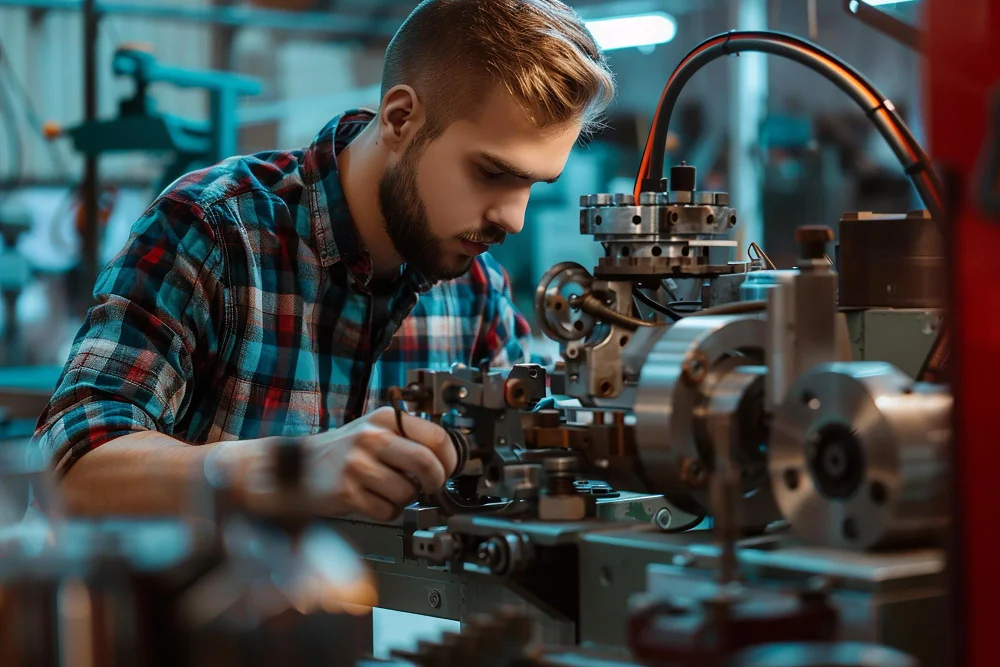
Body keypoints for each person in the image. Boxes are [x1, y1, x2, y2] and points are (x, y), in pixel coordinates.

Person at [31, 0, 615, 521]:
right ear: (400, 119)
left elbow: (531, 452)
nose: (513, 219)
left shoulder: (474, 290)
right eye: (492, 173)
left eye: (533, 185)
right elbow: (70, 464)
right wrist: (291, 469)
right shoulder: (214, 229)